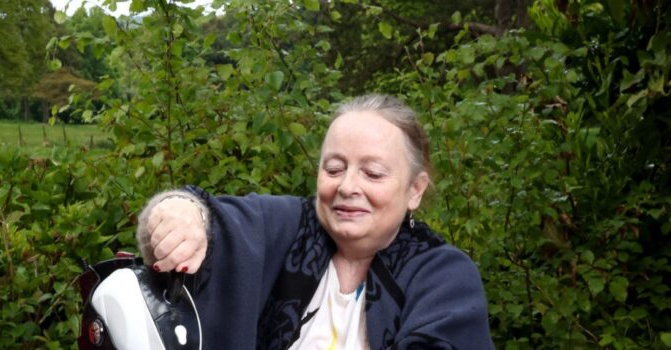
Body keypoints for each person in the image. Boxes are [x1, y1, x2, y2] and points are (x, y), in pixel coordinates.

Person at [136, 94, 493, 349]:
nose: (348, 186)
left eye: (372, 173)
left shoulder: (443, 274)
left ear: (415, 190)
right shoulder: (288, 225)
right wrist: (179, 214)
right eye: (334, 168)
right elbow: (202, 211)